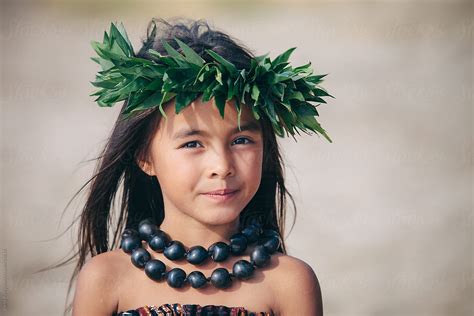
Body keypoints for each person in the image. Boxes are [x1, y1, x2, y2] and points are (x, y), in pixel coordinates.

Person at [68, 17, 331, 316]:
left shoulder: (290, 284)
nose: (222, 166)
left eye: (242, 140)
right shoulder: (106, 279)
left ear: (266, 149)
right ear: (144, 156)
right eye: (193, 143)